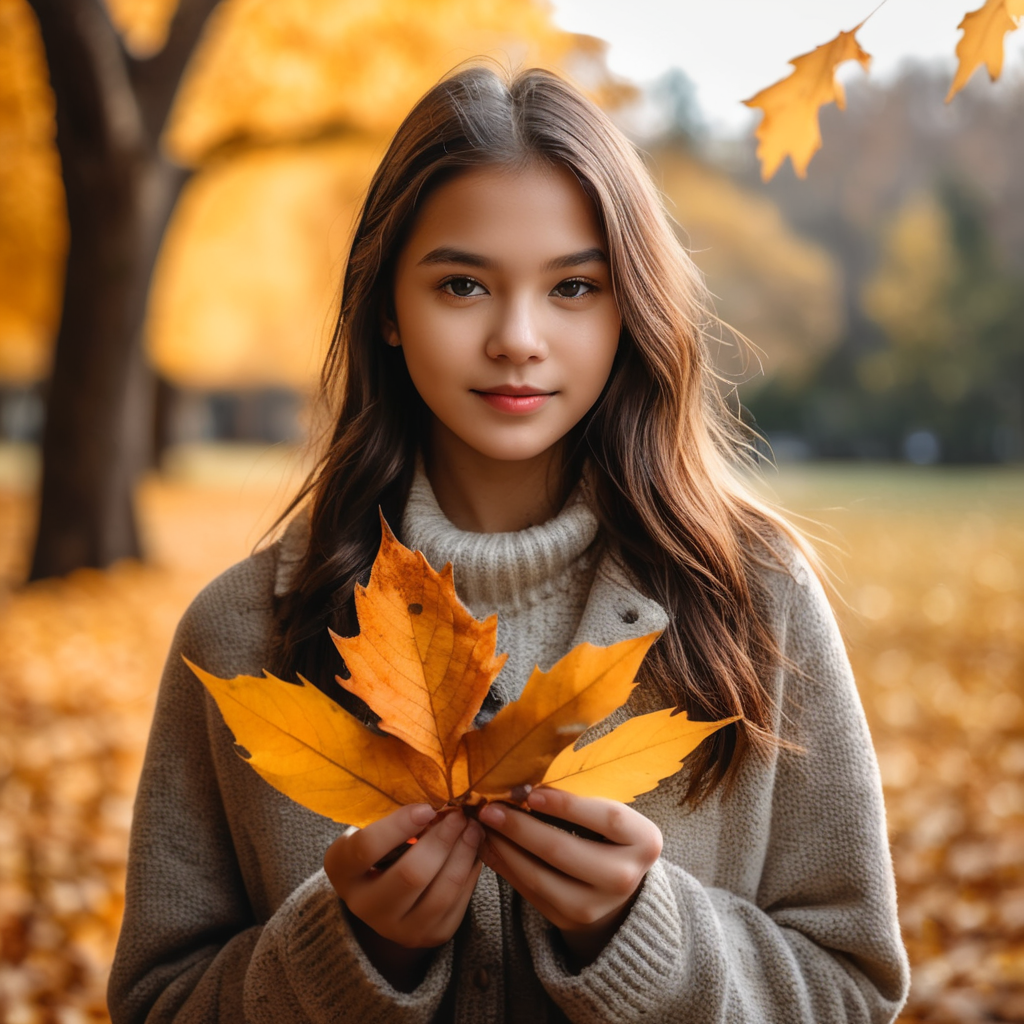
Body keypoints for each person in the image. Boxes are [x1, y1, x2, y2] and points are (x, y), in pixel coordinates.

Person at [109, 64, 910, 1023]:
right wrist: (343, 955)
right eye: (461, 285)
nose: (518, 338)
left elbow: (854, 992)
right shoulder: (240, 631)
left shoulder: (755, 600)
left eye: (573, 287)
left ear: (631, 310)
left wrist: (645, 938)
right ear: (388, 313)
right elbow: (158, 1003)